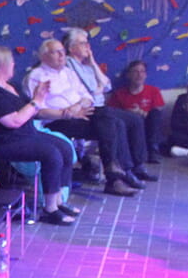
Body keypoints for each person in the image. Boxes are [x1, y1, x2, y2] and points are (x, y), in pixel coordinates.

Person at [25, 38, 150, 195]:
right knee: (111, 121)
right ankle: (119, 173)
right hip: (57, 121)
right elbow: (37, 111)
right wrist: (67, 113)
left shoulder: (68, 73)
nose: (61, 55)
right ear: (43, 56)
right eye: (56, 52)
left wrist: (77, 107)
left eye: (62, 52)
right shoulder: (36, 76)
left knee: (112, 121)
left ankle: (116, 176)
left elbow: (87, 96)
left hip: (81, 114)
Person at [0, 45, 80, 224]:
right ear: (4, 66)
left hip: (25, 134)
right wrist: (36, 101)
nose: (14, 66)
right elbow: (12, 121)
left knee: (64, 147)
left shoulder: (10, 86)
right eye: (12, 63)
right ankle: (49, 209)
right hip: (5, 141)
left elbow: (30, 110)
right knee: (51, 153)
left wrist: (40, 98)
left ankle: (58, 201)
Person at [107, 59, 165, 163]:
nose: (139, 75)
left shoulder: (154, 91)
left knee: (155, 114)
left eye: (142, 71)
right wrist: (129, 115)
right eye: (135, 71)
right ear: (129, 75)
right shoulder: (119, 94)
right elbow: (111, 113)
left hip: (148, 128)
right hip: (128, 129)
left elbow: (158, 113)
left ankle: (153, 151)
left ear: (146, 75)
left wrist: (143, 113)